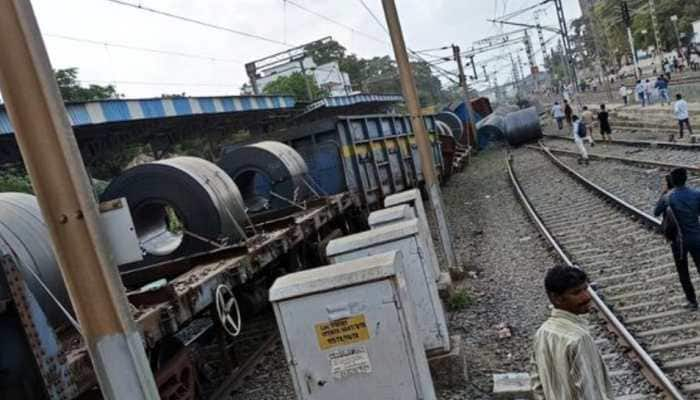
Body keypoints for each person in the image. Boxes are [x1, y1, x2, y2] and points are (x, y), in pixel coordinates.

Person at [530, 265, 614, 400]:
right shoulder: (579, 339)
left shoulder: (543, 333)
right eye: (576, 293)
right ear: (557, 298)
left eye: (585, 289)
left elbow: (537, 385)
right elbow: (590, 393)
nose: (586, 297)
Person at [654, 168, 700, 310]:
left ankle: (692, 302)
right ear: (686, 179)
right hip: (696, 237)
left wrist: (665, 191)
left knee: (683, 272)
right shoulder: (696, 194)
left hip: (678, 242)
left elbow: (656, 212)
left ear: (672, 181)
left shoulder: (668, 197)